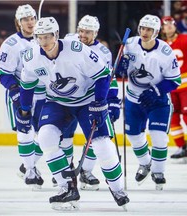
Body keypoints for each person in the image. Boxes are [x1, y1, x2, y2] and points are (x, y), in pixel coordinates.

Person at [16, 16, 129, 210]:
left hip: (87, 101)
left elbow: (103, 75)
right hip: (57, 102)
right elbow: (27, 86)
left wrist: (100, 103)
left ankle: (117, 188)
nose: (44, 42)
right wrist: (24, 110)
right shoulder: (31, 56)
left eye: (47, 37)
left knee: (101, 144)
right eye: (39, 37)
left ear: (57, 35)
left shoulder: (77, 50)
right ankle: (66, 187)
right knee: (45, 138)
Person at [117, 14, 181, 190]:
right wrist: (120, 67)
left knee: (158, 136)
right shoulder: (129, 44)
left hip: (157, 101)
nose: (145, 32)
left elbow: (175, 80)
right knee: (134, 136)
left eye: (149, 29)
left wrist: (156, 91)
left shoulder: (165, 52)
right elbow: (118, 68)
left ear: (156, 32)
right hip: (133, 99)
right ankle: (145, 163)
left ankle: (158, 171)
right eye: (143, 28)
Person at [64, 15, 121, 191]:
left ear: (95, 33)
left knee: (96, 137)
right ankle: (63, 172)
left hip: (90, 99)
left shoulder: (103, 52)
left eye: (87, 32)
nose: (82, 35)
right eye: (81, 30)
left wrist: (111, 101)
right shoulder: (68, 41)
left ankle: (85, 172)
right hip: (66, 97)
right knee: (63, 136)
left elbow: (108, 79)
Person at [0, 4, 44, 189]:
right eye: (25, 19)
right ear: (18, 22)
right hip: (22, 93)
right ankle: (31, 171)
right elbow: (4, 74)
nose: (30, 22)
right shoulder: (11, 45)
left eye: (32, 18)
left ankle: (27, 165)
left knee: (48, 132)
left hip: (43, 93)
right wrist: (16, 92)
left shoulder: (44, 38)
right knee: (26, 132)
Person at [161, 16, 187, 159]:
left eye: (171, 24)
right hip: (171, 89)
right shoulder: (161, 45)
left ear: (175, 26)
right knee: (173, 118)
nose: (169, 26)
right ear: (163, 29)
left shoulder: (184, 39)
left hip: (186, 88)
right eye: (166, 24)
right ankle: (181, 147)